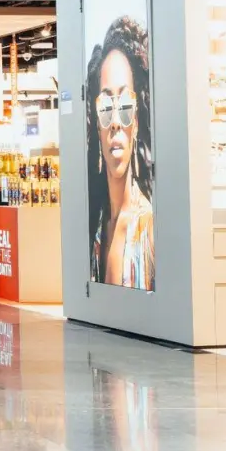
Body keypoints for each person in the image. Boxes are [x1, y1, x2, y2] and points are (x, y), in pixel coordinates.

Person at [87, 16, 155, 289]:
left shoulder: (149, 227)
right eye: (105, 106)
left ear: (136, 121)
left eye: (125, 105)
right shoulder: (98, 224)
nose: (115, 121)